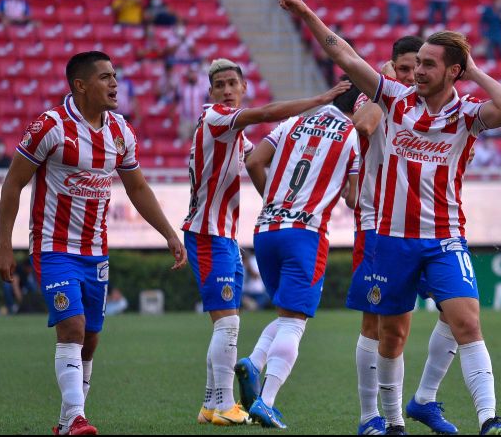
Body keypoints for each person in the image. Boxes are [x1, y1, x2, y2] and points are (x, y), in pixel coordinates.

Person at [276, 0, 501, 435]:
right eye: (418, 64)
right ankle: (391, 422)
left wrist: (472, 70)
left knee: (467, 321)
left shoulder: (467, 113)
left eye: (430, 64)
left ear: (453, 71)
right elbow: (345, 56)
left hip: (444, 238)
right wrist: (308, 14)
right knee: (391, 335)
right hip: (389, 238)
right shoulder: (393, 98)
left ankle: (490, 420)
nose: (418, 71)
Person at [0, 51, 188, 435]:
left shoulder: (120, 131)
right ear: (80, 85)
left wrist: (169, 232)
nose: (115, 83)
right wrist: (3, 245)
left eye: (115, 75)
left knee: (91, 337)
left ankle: (69, 418)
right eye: (105, 77)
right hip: (54, 247)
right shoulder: (49, 127)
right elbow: (14, 183)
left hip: (96, 250)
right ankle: (75, 417)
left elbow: (137, 187)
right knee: (72, 327)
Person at [183, 58, 350, 427]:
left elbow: (258, 161)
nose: (226, 91)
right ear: (210, 94)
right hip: (209, 233)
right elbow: (268, 113)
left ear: (243, 88)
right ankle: (225, 404)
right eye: (219, 86)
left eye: (232, 84)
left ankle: (212, 405)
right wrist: (321, 101)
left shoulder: (232, 133)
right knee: (230, 323)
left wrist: (278, 204)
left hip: (230, 233)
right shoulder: (216, 118)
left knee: (236, 322)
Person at [346, 36, 460, 435]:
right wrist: (378, 110)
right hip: (380, 224)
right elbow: (364, 121)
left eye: (420, 69)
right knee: (379, 326)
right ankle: (371, 416)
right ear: (391, 69)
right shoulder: (378, 97)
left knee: (455, 312)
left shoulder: (435, 108)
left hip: (429, 225)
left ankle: (424, 399)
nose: (414, 76)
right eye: (405, 69)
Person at [234, 76, 361, 430]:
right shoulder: (354, 135)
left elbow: (255, 161)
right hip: (306, 233)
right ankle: (267, 402)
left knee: (286, 313)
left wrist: (274, 203)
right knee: (294, 322)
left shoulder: (294, 121)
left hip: (266, 230)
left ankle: (254, 363)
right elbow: (352, 199)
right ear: (357, 104)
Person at [178, 67, 208, 141]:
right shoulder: (183, 88)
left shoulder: (202, 88)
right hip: (186, 119)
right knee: (184, 141)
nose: (192, 75)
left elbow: (208, 102)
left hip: (198, 119)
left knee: (198, 142)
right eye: (191, 73)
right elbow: (176, 101)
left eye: (194, 73)